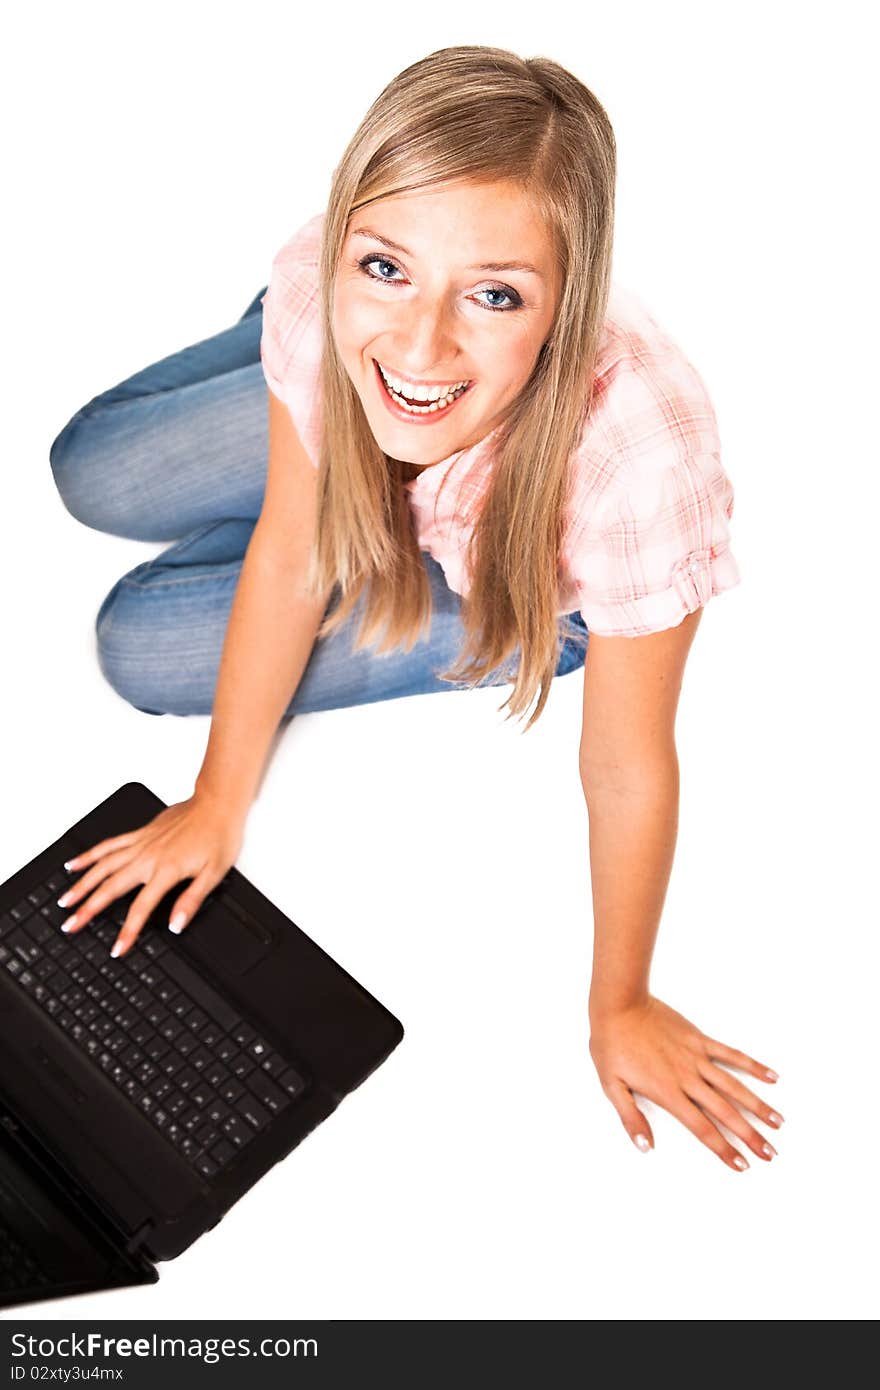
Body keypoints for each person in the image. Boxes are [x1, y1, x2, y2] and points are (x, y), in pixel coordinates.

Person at [47, 44, 782, 1171]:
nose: (425, 340)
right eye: (386, 263)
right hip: (364, 412)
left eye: (495, 295)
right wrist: (216, 799)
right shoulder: (340, 298)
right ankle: (380, 472)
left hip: (524, 558)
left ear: (565, 307)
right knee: (89, 470)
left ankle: (419, 510)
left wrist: (619, 1001)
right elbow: (296, 548)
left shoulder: (640, 462)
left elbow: (628, 764)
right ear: (347, 235)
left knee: (133, 645)